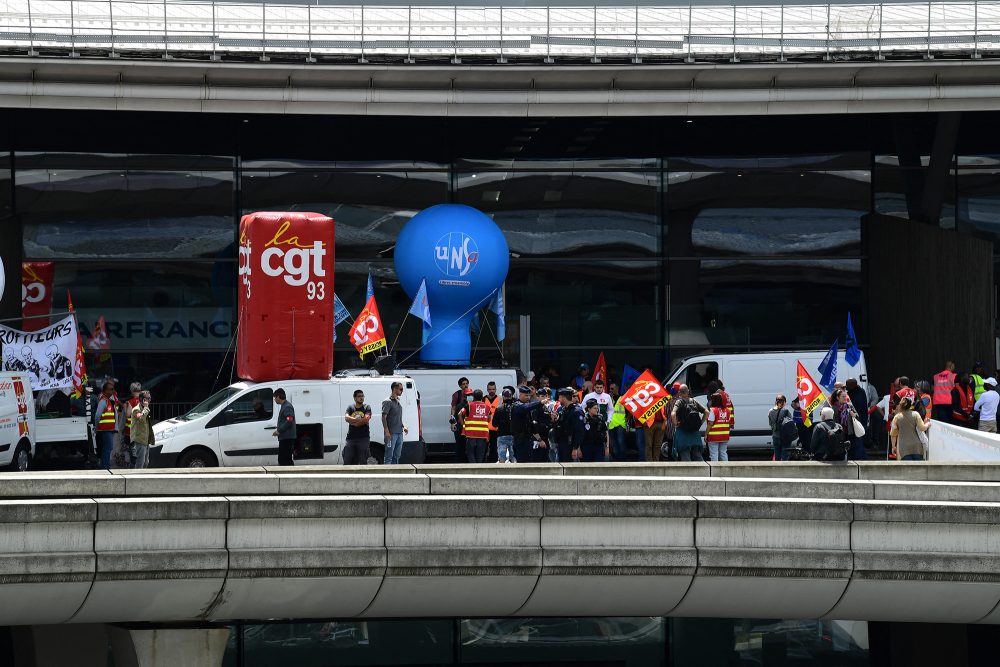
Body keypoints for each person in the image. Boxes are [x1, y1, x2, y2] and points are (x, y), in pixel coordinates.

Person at [671, 384, 705, 462]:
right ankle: (703, 472)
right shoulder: (694, 401)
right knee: (697, 455)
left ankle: (688, 473)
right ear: (688, 391)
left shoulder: (679, 402)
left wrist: (676, 423)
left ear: (679, 392)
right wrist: (701, 422)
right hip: (694, 433)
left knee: (685, 455)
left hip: (683, 432)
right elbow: (706, 412)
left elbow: (673, 414)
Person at [457, 389, 491, 463]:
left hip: (471, 433)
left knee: (470, 451)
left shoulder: (468, 405)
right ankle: (478, 467)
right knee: (481, 452)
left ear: (473, 397)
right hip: (483, 433)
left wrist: (463, 425)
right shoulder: (487, 407)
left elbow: (459, 414)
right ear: (482, 397)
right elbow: (489, 419)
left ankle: (473, 466)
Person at [511, 386, 542, 463]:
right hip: (520, 439)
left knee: (529, 460)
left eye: (529, 395)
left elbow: (531, 424)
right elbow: (524, 408)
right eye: (526, 395)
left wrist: (539, 439)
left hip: (528, 438)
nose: (528, 397)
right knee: (522, 461)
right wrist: (540, 403)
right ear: (520, 395)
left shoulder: (527, 406)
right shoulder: (517, 405)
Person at [553, 388, 585, 463]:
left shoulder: (576, 411)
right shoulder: (564, 410)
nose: (559, 399)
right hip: (561, 443)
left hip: (570, 445)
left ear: (564, 398)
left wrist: (575, 448)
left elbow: (579, 431)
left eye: (560, 397)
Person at [93, 381, 118, 469]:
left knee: (107, 448)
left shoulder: (108, 400)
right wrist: (97, 427)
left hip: (108, 429)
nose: (113, 391)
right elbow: (97, 415)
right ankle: (105, 466)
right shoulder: (103, 400)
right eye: (111, 389)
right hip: (105, 429)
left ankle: (104, 466)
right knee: (108, 447)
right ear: (106, 390)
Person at [382, 381, 408, 464]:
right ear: (394, 389)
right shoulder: (387, 401)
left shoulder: (398, 401)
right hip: (391, 434)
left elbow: (397, 417)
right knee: (389, 455)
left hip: (399, 433)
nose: (402, 391)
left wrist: (404, 426)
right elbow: (383, 417)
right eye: (401, 389)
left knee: (397, 455)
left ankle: (395, 474)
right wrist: (386, 431)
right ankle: (387, 475)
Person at [343, 389, 372, 465]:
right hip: (351, 438)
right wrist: (358, 420)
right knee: (347, 459)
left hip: (363, 438)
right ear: (355, 398)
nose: (361, 398)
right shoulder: (350, 407)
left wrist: (355, 423)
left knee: (363, 460)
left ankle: (363, 476)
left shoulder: (367, 407)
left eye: (362, 396)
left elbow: (366, 419)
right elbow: (346, 418)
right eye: (359, 396)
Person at [845, 379, 869, 460]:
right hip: (860, 420)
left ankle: (860, 458)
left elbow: (856, 407)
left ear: (852, 386)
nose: (846, 388)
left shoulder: (856, 394)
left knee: (858, 441)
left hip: (857, 420)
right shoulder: (861, 391)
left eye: (847, 386)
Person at [272, 388, 297, 465]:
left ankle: (289, 475)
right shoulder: (285, 406)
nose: (274, 399)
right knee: (284, 458)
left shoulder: (287, 407)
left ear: (278, 396)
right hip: (285, 437)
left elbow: (289, 421)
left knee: (285, 459)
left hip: (287, 438)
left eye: (274, 397)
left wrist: (279, 431)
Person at [768, 394, 796, 461]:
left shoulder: (770, 411)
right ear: (784, 402)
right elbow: (791, 423)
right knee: (785, 455)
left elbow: (770, 424)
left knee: (777, 455)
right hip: (785, 437)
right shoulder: (786, 411)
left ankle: (777, 470)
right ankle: (784, 469)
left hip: (775, 436)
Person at [129, 391, 153, 469]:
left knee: (146, 462)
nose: (149, 400)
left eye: (150, 398)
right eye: (147, 398)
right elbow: (141, 419)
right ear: (142, 399)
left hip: (145, 440)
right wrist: (146, 408)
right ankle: (136, 479)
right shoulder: (136, 410)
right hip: (139, 440)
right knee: (140, 463)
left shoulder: (144, 409)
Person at [705, 392, 731, 462]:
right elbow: (728, 423)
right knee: (723, 453)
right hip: (725, 436)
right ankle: (725, 469)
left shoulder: (713, 410)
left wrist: (706, 434)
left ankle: (714, 471)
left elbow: (710, 423)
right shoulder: (728, 410)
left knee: (714, 454)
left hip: (714, 436)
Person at [492, 387, 515, 463]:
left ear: (503, 397)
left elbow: (494, 424)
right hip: (514, 435)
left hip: (502, 435)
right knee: (513, 458)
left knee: (502, 458)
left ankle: (502, 474)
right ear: (511, 396)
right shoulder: (515, 407)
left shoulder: (499, 408)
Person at [450, 377, 471, 462]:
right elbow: (453, 409)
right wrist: (452, 422)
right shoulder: (457, 395)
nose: (465, 385)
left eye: (466, 383)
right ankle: (459, 462)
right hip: (459, 423)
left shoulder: (471, 394)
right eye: (463, 384)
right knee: (459, 444)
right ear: (460, 386)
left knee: (470, 445)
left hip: (470, 423)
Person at [608, 394, 629, 461]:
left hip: (620, 423)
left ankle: (623, 459)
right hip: (611, 424)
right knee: (614, 443)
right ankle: (617, 459)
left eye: (612, 388)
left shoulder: (623, 398)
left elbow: (630, 410)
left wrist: (627, 419)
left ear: (617, 388)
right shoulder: (608, 398)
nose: (611, 390)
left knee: (621, 442)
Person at [484, 381, 501, 463]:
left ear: (496, 389)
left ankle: (493, 464)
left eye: (493, 389)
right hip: (485, 428)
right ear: (487, 389)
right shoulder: (483, 399)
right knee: (483, 448)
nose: (492, 391)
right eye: (490, 389)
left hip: (495, 428)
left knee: (494, 449)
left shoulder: (500, 400)